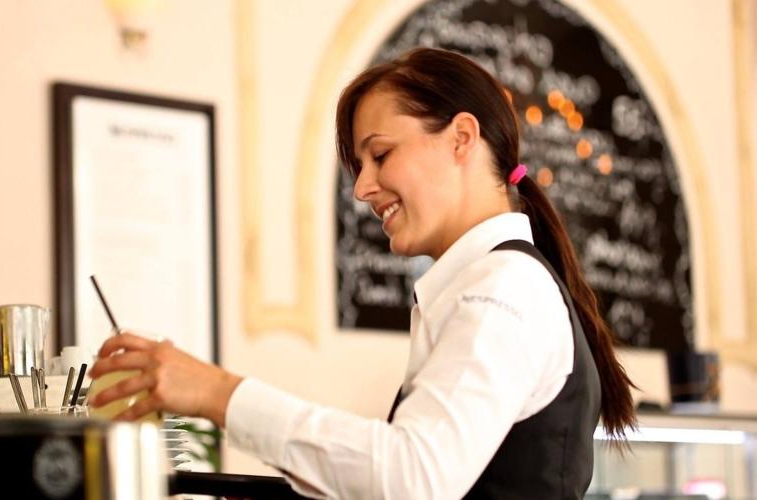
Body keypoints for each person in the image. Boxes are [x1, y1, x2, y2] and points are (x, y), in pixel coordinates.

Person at [88, 47, 636, 499]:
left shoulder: (504, 288)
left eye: (380, 155)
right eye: (359, 166)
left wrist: (219, 394)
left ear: (462, 138)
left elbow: (412, 476)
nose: (361, 188)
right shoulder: (486, 286)